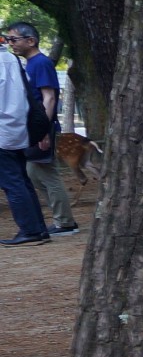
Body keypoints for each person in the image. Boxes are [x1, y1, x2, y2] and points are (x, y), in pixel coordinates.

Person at [6, 24, 74, 234]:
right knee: (34, 172)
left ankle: (65, 222)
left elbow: (49, 97)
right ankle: (62, 219)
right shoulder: (30, 64)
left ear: (31, 41)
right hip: (34, 129)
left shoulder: (41, 63)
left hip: (42, 128)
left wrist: (43, 130)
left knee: (46, 173)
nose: (11, 44)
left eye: (14, 39)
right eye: (8, 40)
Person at [0, 46, 49, 247]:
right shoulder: (10, 58)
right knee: (21, 179)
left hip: (4, 130)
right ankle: (39, 228)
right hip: (18, 127)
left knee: (12, 182)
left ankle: (30, 230)